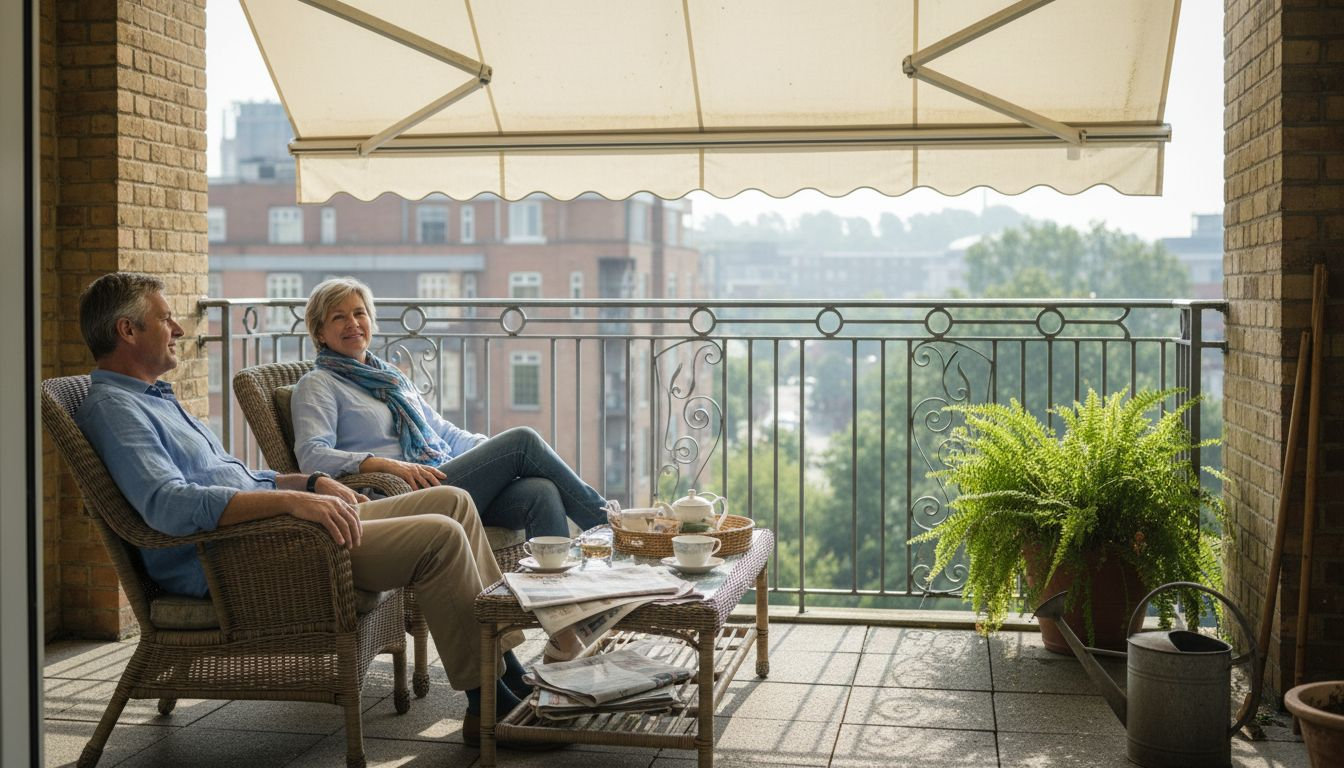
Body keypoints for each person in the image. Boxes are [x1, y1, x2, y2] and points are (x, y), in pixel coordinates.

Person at [73, 272, 539, 748]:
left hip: (280, 530)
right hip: (239, 557)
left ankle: (509, 676)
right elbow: (167, 504)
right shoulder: (115, 409)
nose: (178, 329)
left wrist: (310, 483)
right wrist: (292, 501)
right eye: (165, 319)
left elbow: (237, 476)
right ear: (127, 331)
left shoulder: (156, 398)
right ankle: (489, 708)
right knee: (440, 537)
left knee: (454, 501)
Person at [290, 277, 619, 542]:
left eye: (359, 313)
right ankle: (612, 527)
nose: (353, 323)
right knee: (523, 440)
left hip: (440, 477)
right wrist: (386, 465)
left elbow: (442, 432)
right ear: (320, 332)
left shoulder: (390, 378)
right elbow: (312, 456)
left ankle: (557, 598)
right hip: (398, 495)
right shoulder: (319, 384)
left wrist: (492, 453)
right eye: (338, 317)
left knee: (540, 491)